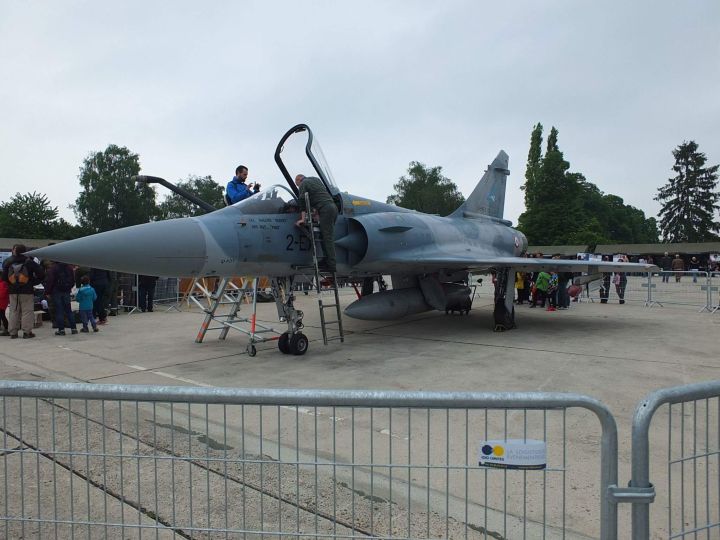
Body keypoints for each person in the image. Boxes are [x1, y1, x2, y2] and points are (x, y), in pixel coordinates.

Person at [294, 174, 339, 273]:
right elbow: (320, 196)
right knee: (324, 235)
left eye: (296, 184)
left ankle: (331, 265)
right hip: (332, 208)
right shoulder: (316, 179)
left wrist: (302, 219)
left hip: (326, 210)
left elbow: (302, 203)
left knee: (327, 237)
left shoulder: (303, 184)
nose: (298, 187)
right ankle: (325, 261)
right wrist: (316, 212)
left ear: (298, 180)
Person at [1, 244, 45, 339]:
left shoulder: (7, 261)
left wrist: (11, 284)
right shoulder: (29, 261)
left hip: (13, 291)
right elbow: (41, 274)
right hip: (27, 290)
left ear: (14, 250)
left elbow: (4, 278)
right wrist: (33, 282)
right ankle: (27, 332)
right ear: (25, 251)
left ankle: (13, 332)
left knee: (14, 310)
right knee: (27, 311)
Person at [44, 260, 78, 335]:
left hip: (56, 291)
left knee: (59, 310)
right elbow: (73, 280)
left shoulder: (53, 268)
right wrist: (69, 287)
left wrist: (47, 292)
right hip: (66, 291)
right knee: (69, 310)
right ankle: (74, 328)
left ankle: (61, 330)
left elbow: (50, 281)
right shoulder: (69, 268)